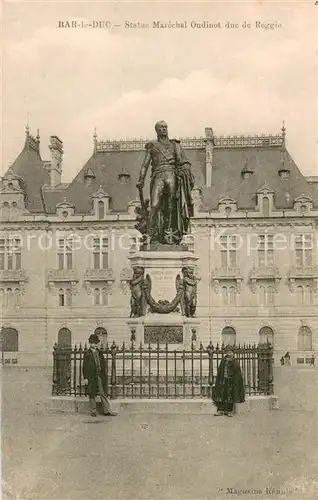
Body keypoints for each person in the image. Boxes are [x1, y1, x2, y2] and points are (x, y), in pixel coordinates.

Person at [137, 120, 194, 245]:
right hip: (158, 175)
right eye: (161, 127)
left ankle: (169, 233)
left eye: (165, 127)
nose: (164, 129)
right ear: (156, 130)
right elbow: (144, 165)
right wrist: (141, 179)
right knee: (155, 205)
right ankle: (150, 234)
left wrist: (186, 168)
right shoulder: (152, 146)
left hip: (171, 174)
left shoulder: (175, 145)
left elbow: (185, 162)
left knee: (171, 206)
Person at [82, 333, 117, 417]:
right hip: (91, 376)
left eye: (96, 342)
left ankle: (107, 410)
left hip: (99, 376)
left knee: (102, 393)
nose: (95, 344)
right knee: (92, 393)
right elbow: (84, 367)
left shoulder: (99, 352)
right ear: (90, 343)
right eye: (93, 342)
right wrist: (85, 378)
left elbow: (103, 364)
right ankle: (93, 411)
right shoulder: (87, 353)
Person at [212, 348, 245, 417]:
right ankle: (220, 410)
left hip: (231, 382)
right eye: (227, 352)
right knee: (222, 395)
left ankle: (230, 411)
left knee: (230, 396)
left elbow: (237, 371)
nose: (228, 354)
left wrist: (231, 362)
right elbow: (220, 371)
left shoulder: (234, 361)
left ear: (233, 353)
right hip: (223, 380)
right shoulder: (223, 360)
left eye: (230, 352)